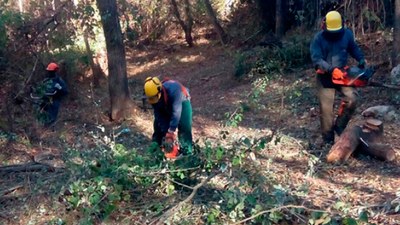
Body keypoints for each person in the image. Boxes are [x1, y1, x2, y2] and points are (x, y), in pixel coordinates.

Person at [310, 10, 366, 145]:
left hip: (342, 74)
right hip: (325, 77)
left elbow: (353, 48)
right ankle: (328, 141)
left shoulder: (346, 34)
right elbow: (316, 59)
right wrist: (330, 69)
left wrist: (361, 59)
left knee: (352, 98)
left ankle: (340, 126)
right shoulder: (318, 38)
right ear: (325, 26)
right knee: (326, 111)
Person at [143, 76, 193, 158]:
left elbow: (176, 113)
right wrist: (165, 132)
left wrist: (170, 132)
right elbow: (158, 115)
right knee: (157, 126)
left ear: (160, 90)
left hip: (182, 102)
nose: (153, 100)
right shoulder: (152, 96)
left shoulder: (174, 90)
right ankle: (155, 151)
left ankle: (187, 154)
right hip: (165, 104)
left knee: (184, 126)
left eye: (154, 97)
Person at [33, 62, 68, 127]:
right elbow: (40, 90)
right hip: (45, 100)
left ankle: (50, 130)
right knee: (42, 113)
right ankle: (43, 127)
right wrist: (35, 89)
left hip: (55, 100)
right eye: (49, 71)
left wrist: (60, 88)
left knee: (52, 116)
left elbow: (65, 92)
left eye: (51, 71)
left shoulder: (59, 81)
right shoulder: (46, 81)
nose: (49, 73)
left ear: (55, 71)